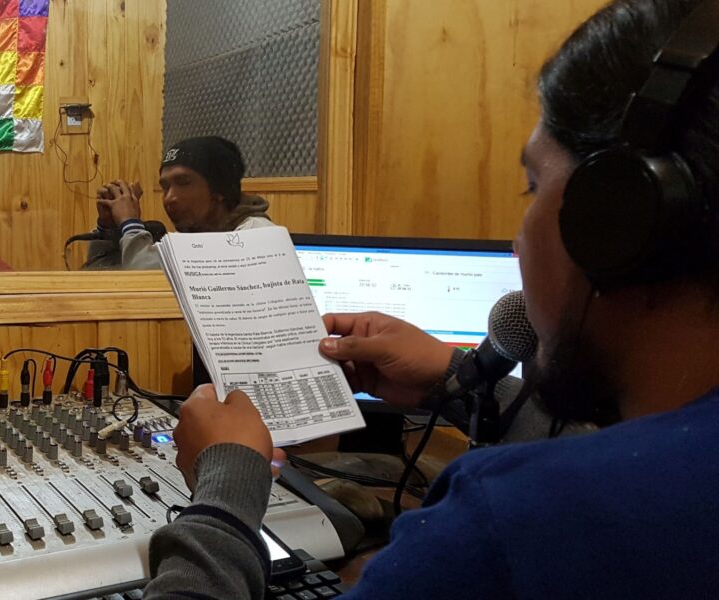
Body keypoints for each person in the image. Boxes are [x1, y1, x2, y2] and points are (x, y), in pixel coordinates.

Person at [145, 0, 719, 598]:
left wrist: (225, 493)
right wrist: (457, 381)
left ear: (620, 219)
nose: (520, 240)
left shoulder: (511, 519)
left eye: (534, 186)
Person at [86, 136, 274, 269]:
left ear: (220, 190)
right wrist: (108, 230)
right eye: (165, 187)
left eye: (183, 183)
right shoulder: (192, 236)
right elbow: (100, 282)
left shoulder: (256, 236)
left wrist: (130, 224)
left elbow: (145, 276)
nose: (169, 198)